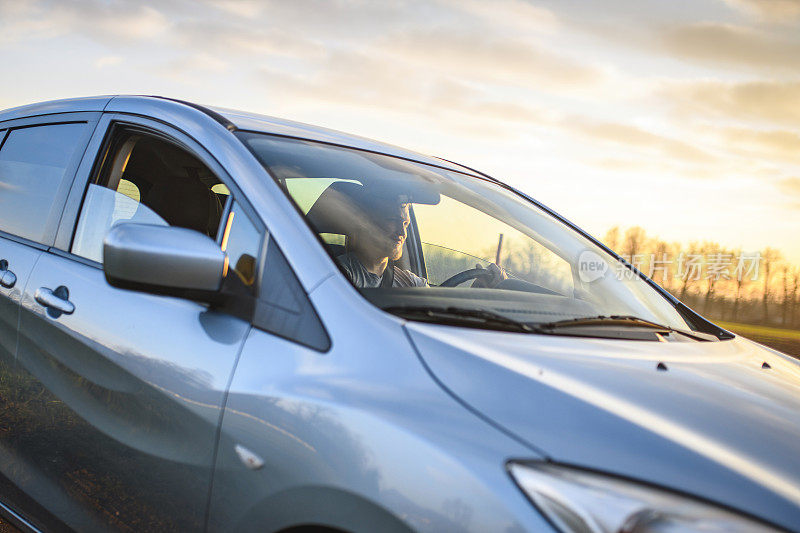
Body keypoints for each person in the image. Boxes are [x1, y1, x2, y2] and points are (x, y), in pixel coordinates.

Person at [336, 193, 506, 288]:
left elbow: (441, 313)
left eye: (405, 223)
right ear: (366, 221)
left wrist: (477, 291)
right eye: (392, 221)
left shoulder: (410, 282)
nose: (402, 232)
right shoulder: (340, 273)